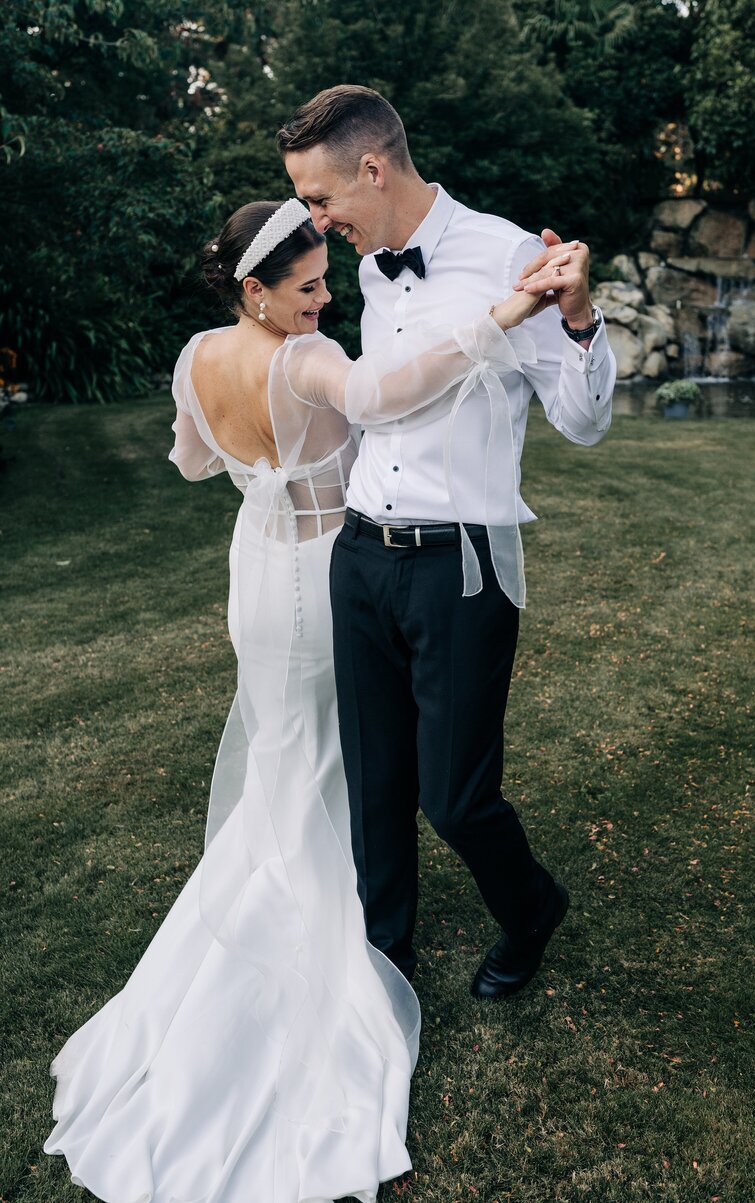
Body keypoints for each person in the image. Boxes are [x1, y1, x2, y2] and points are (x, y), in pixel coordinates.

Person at [43, 199, 563, 1202]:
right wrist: (497, 318)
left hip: (253, 567)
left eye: (328, 281)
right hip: (332, 571)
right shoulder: (306, 362)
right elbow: (384, 392)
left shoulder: (196, 354)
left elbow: (193, 460)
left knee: (294, 748)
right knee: (339, 751)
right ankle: (338, 917)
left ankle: (336, 894)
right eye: (308, 287)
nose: (326, 300)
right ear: (256, 288)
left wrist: (254, 460)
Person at [277, 85, 616, 1000]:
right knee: (375, 780)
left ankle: (532, 906)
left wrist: (580, 320)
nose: (314, 221)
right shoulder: (365, 269)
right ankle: (384, 961)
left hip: (459, 564)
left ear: (374, 170)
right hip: (362, 554)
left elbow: (583, 422)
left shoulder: (507, 257)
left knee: (456, 797)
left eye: (320, 200)